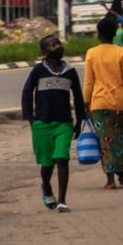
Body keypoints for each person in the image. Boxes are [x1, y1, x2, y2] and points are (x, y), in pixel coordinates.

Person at [21, 33, 86, 211]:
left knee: (62, 158)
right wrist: (30, 119)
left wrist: (80, 121)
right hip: (42, 123)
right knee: (47, 163)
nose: (57, 46)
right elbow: (27, 94)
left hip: (63, 123)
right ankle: (47, 187)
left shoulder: (70, 72)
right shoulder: (38, 70)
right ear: (44, 51)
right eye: (52, 45)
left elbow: (78, 98)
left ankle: (62, 201)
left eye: (58, 43)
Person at [84, 15, 123, 190]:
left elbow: (88, 82)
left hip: (100, 104)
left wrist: (85, 102)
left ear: (99, 34)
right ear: (115, 33)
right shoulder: (121, 52)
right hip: (121, 102)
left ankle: (110, 180)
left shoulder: (92, 53)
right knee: (122, 139)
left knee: (106, 141)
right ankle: (122, 176)